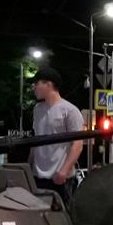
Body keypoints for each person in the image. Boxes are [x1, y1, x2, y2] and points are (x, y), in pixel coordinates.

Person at [29, 67, 85, 203]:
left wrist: (64, 171)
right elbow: (36, 140)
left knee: (62, 213)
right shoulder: (37, 109)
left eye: (36, 83)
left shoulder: (70, 111)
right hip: (37, 176)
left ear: (48, 84)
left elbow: (77, 144)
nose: (33, 87)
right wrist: (29, 165)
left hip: (60, 178)